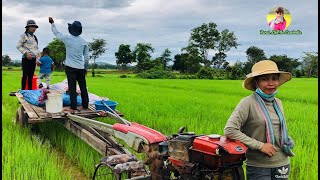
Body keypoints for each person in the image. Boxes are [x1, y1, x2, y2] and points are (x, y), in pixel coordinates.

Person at [224, 60, 295, 180]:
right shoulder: (247, 103)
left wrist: (288, 140)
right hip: (259, 166)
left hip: (282, 163)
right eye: (265, 79)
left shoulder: (278, 103)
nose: (271, 83)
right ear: (256, 82)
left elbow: (278, 128)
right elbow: (230, 130)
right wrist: (260, 146)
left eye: (274, 78)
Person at [48, 17, 89, 113]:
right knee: (83, 86)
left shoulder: (67, 38)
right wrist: (85, 68)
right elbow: (86, 57)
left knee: (72, 87)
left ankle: (73, 107)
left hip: (70, 68)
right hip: (81, 68)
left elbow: (56, 33)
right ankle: (85, 106)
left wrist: (52, 23)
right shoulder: (84, 42)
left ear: (71, 30)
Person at [17, 19, 41, 90]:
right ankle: (23, 92)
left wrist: (38, 58)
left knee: (31, 77)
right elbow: (18, 46)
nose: (34, 28)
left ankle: (30, 93)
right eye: (32, 27)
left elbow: (36, 49)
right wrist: (26, 53)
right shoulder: (24, 36)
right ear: (27, 27)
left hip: (33, 59)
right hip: (26, 59)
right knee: (25, 76)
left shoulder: (35, 37)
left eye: (35, 27)